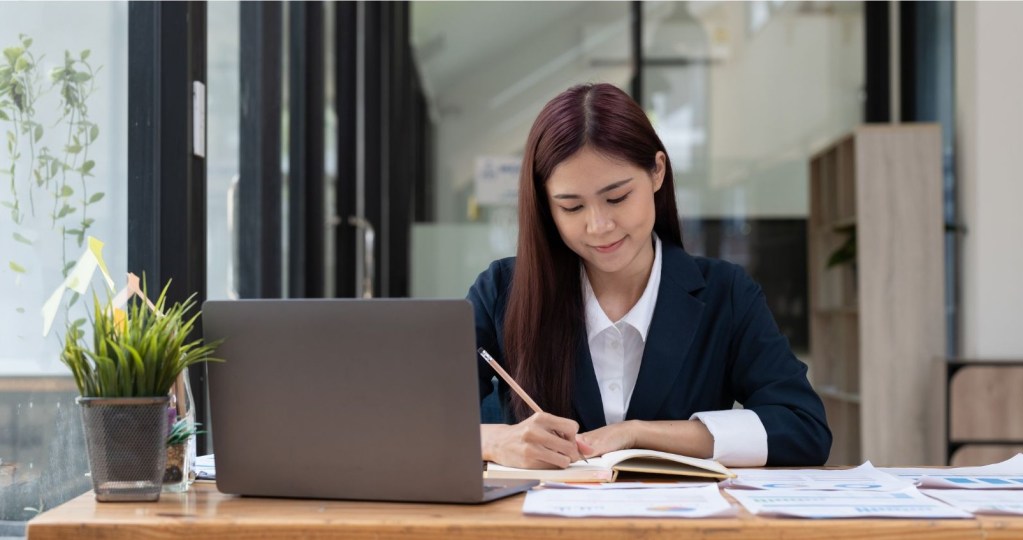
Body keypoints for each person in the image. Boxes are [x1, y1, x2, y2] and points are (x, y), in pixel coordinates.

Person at [468, 82, 831, 470]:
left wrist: (639, 433)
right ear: (546, 207)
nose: (599, 226)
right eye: (572, 207)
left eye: (618, 198)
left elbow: (802, 427)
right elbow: (409, 421)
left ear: (657, 172)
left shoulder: (725, 293)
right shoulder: (503, 291)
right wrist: (495, 440)